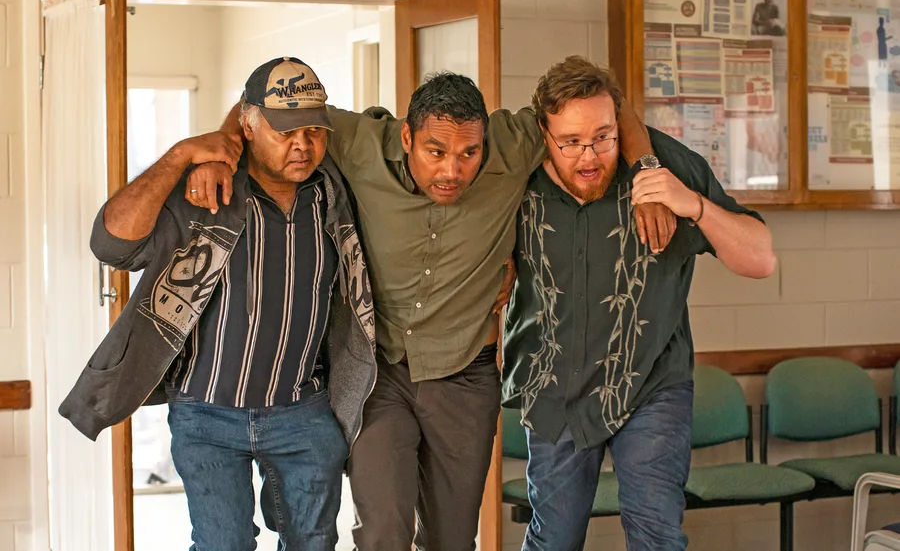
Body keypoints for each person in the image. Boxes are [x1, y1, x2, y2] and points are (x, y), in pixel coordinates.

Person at [193, 69, 674, 551]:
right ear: (407, 136)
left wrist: (648, 173)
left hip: (466, 377)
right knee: (383, 531)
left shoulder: (514, 141)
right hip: (381, 376)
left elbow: (612, 100)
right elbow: (262, 110)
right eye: (436, 151)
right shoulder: (362, 143)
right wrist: (220, 147)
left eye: (470, 152)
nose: (453, 171)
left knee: (451, 538)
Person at [59, 57, 378, 551]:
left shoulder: (335, 193)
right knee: (222, 544)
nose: (303, 144)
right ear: (249, 126)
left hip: (302, 411)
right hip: (206, 414)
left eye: (315, 130)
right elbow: (112, 246)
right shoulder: (207, 193)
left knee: (313, 541)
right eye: (286, 130)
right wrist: (184, 153)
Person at [502, 56, 777, 551]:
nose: (589, 156)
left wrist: (693, 204)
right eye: (570, 142)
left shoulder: (665, 165)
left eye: (604, 137)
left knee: (656, 537)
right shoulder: (517, 176)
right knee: (553, 540)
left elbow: (760, 259)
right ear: (543, 130)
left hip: (651, 381)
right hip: (554, 387)